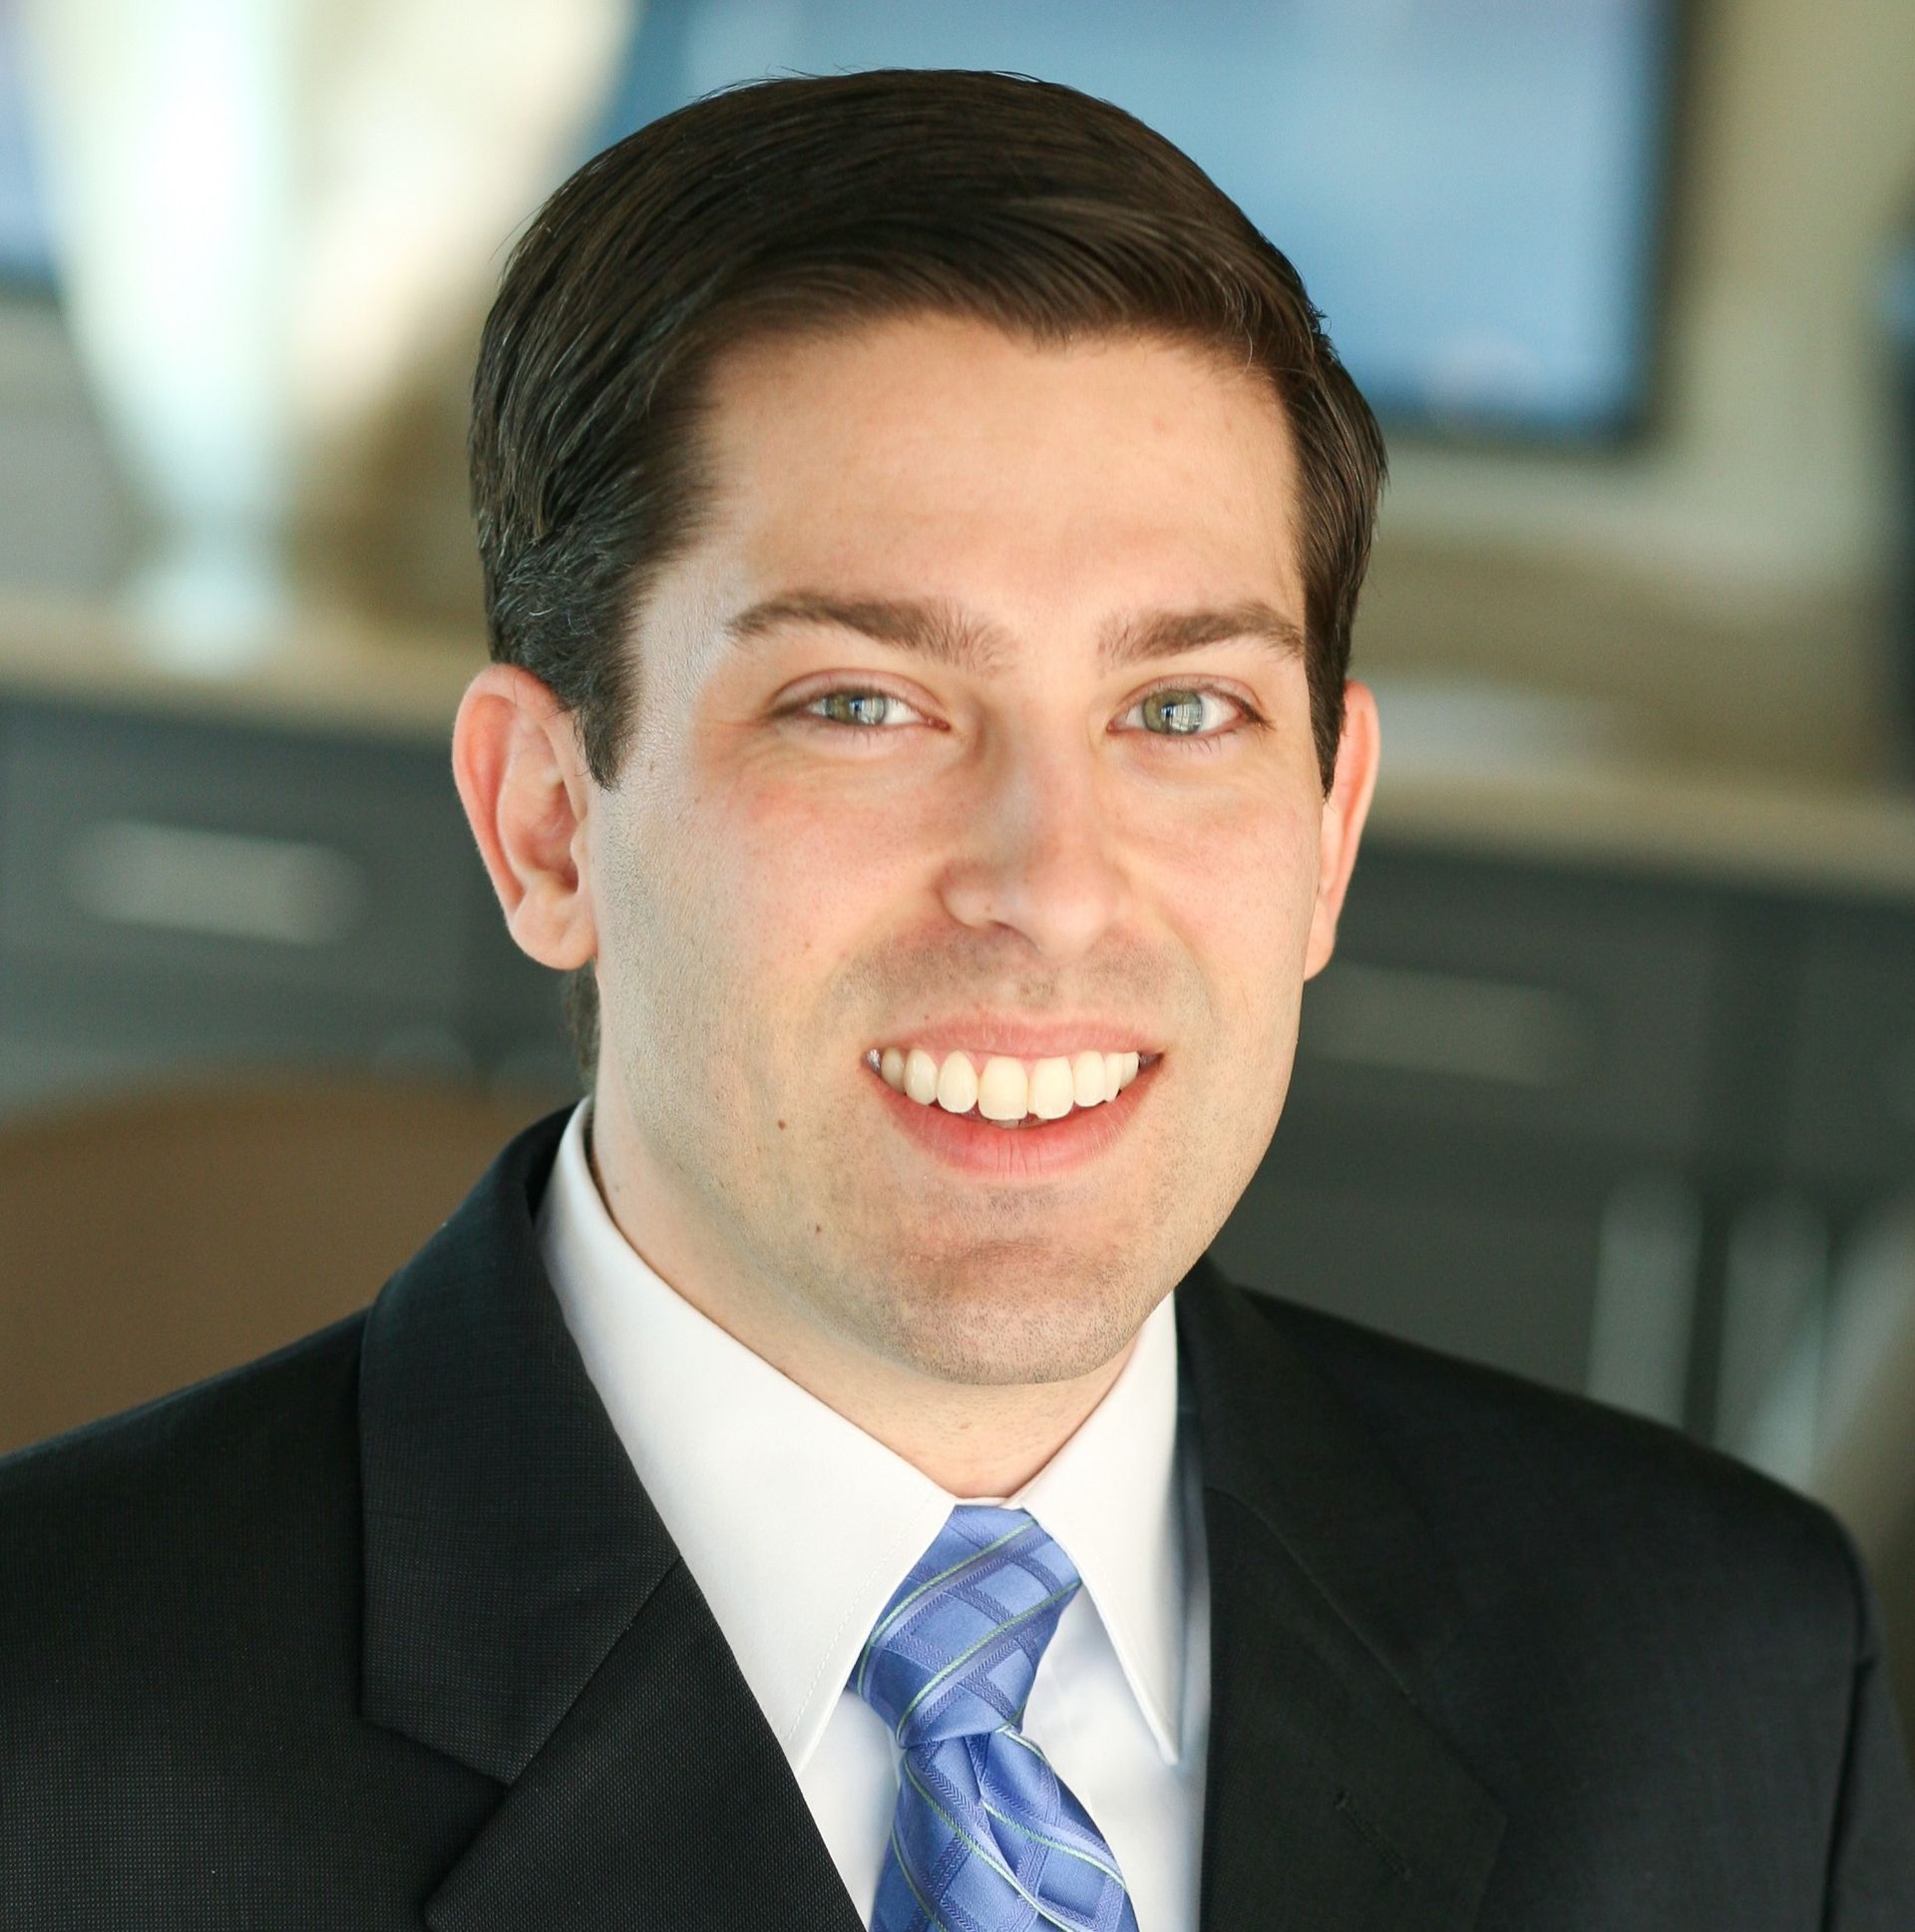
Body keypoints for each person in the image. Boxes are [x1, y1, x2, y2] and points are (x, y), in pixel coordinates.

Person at [2, 66, 1911, 1932]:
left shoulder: (1731, 1680)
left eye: (1181, 711)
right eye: (861, 705)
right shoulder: (50, 1749)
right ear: (545, 824)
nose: (1052, 886)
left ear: (1330, 832)